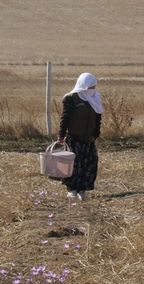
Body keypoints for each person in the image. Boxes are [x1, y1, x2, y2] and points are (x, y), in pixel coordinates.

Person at [57, 72, 103, 201]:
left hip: (89, 138)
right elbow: (65, 118)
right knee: (74, 165)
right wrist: (61, 135)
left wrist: (96, 134)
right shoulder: (71, 98)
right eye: (90, 87)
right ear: (83, 86)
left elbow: (98, 118)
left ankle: (83, 190)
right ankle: (72, 189)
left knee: (89, 164)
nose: (92, 90)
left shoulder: (95, 98)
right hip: (74, 137)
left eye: (94, 87)